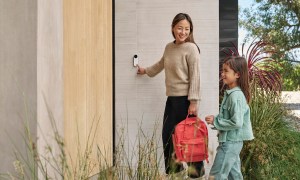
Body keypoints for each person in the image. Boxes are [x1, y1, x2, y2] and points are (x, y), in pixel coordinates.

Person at [137, 13, 204, 178]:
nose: (183, 32)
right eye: (180, 28)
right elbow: (162, 63)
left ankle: (197, 174)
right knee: (168, 137)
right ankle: (176, 173)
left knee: (189, 139)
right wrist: (146, 71)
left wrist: (193, 102)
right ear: (173, 28)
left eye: (187, 29)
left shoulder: (191, 48)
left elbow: (196, 76)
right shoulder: (169, 47)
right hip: (171, 100)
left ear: (190, 30)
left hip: (185, 101)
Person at [205, 56, 254, 180]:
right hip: (232, 142)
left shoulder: (235, 96)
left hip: (230, 143)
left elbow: (237, 122)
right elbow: (232, 117)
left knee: (216, 176)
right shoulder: (233, 93)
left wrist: (216, 122)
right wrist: (215, 118)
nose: (223, 74)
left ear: (237, 74)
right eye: (222, 70)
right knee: (234, 176)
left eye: (226, 71)